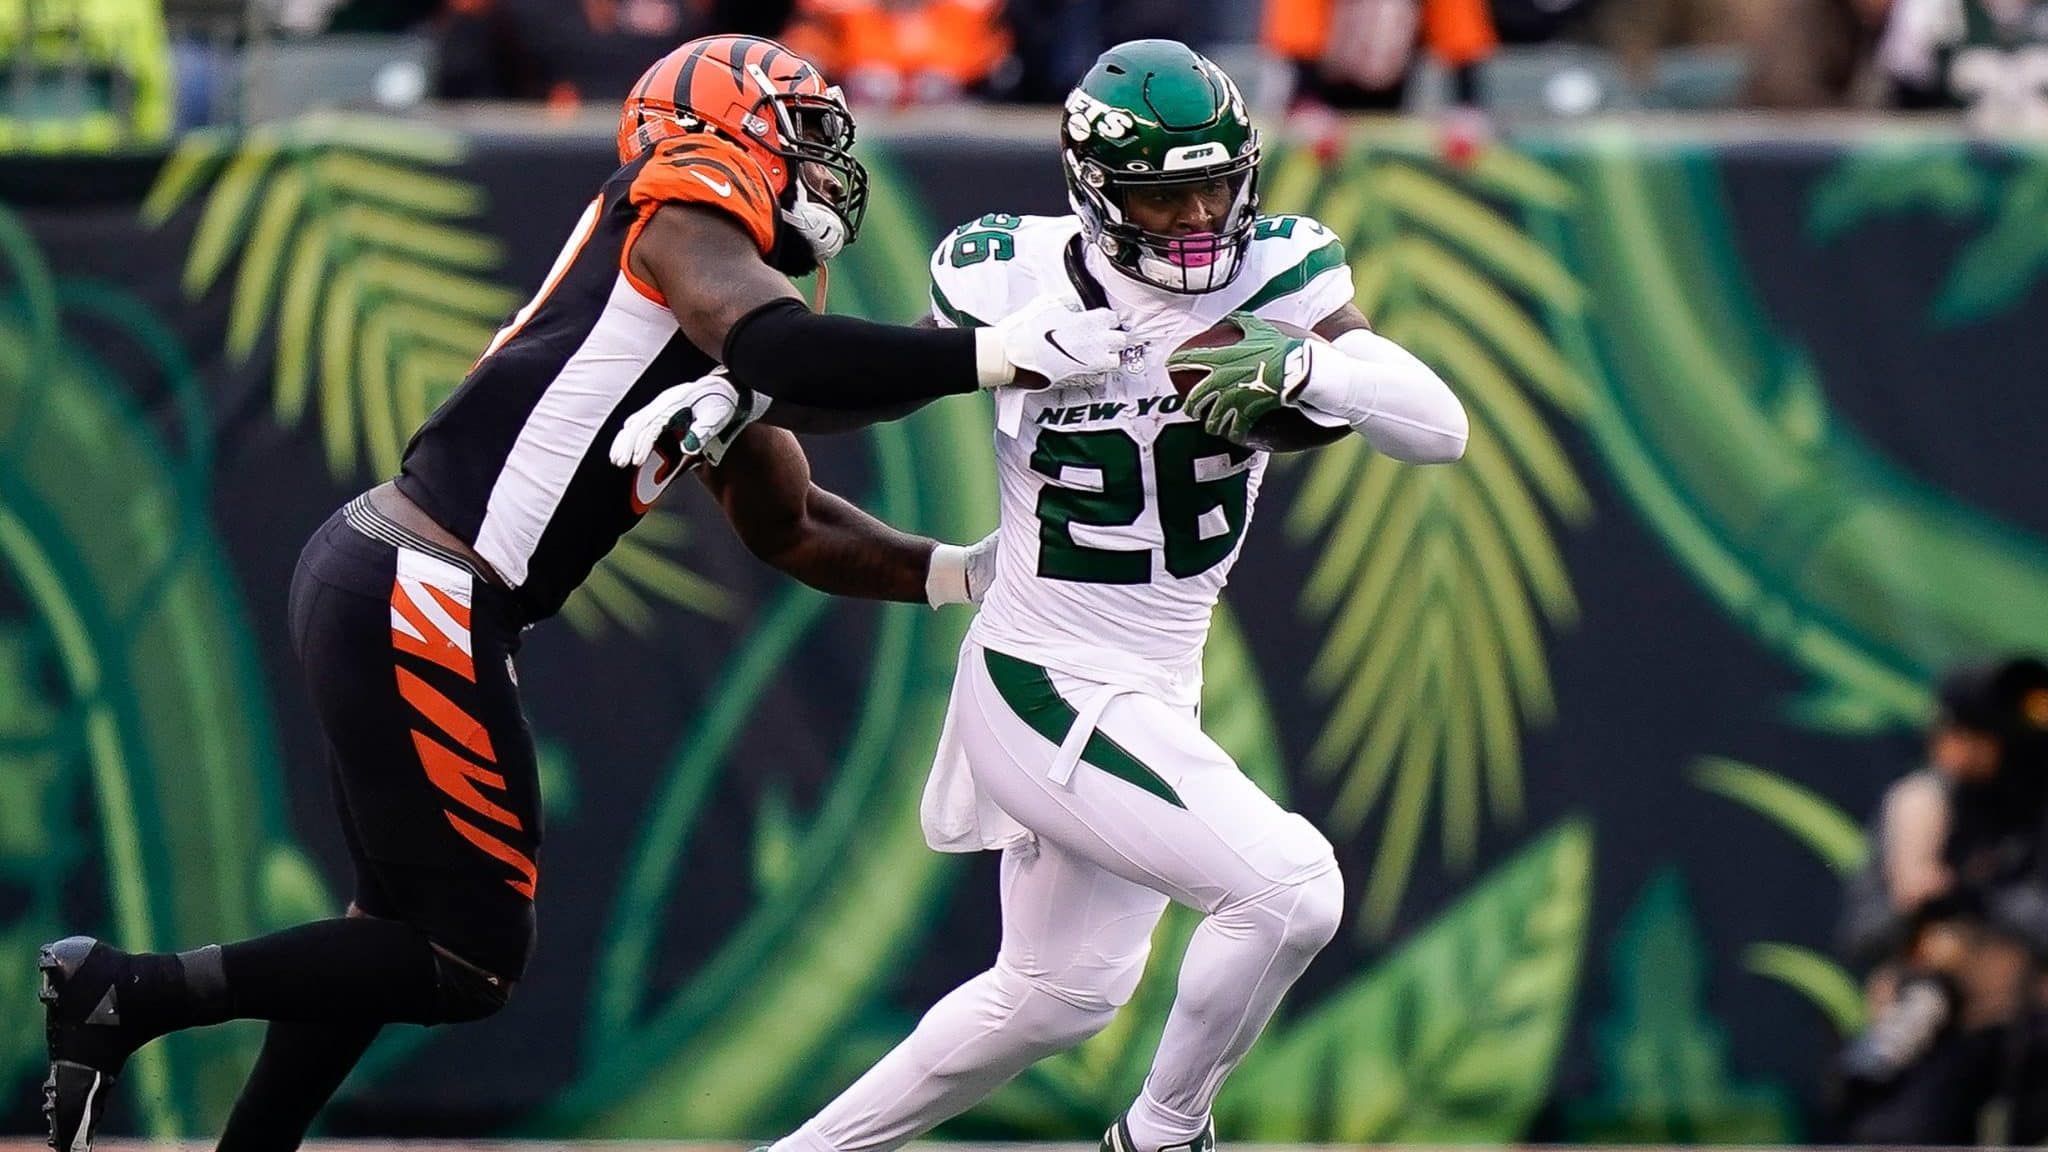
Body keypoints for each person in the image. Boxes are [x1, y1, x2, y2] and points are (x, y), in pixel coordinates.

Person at [37, 33, 1128, 1152]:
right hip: (429, 584)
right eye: (799, 133)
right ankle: (130, 991)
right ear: (722, 130)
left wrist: (957, 573)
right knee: (464, 958)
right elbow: (794, 356)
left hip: (401, 574)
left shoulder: (712, 304)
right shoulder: (682, 210)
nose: (820, 167)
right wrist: (999, 353)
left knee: (397, 930)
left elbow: (787, 519)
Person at [759, 38, 1467, 1152]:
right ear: (1093, 196)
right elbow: (851, 400)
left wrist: (1307, 369)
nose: (1193, 216)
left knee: (1053, 997)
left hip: (1151, 685)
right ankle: (1162, 1137)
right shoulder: (1009, 271)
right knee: (1291, 890)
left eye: (1212, 184)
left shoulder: (1280, 270)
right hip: (1044, 678)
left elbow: (1437, 428)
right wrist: (987, 355)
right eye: (1160, 193)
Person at [1836, 655, 2048, 1144]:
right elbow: (1858, 936)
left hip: (2032, 1029)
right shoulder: (1919, 812)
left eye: (1975, 737)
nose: (1949, 749)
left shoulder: (2036, 818)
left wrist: (1983, 901)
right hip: (1940, 1029)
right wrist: (1916, 908)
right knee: (1896, 1130)